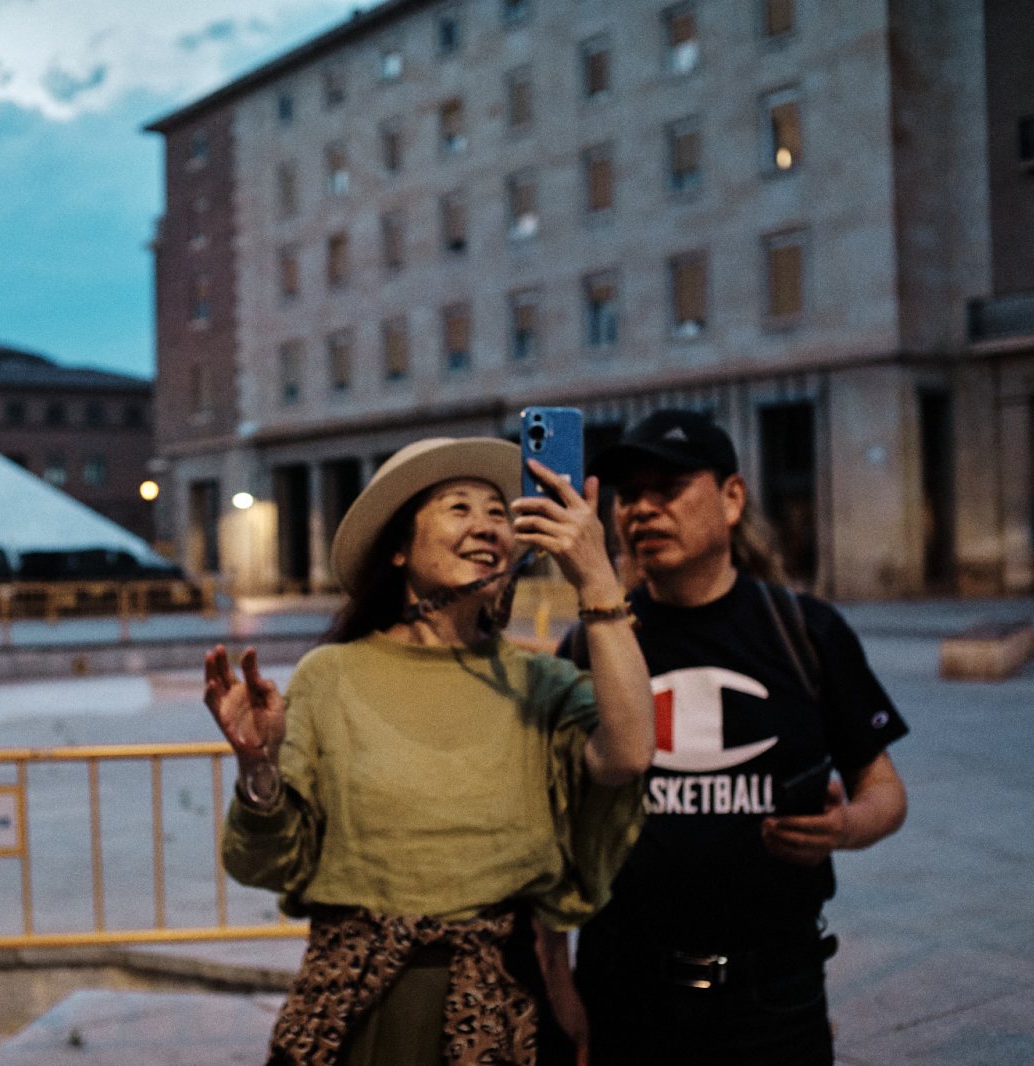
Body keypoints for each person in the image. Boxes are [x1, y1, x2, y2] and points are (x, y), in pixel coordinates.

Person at [203, 436, 657, 1066]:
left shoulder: (541, 685)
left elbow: (629, 755)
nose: (487, 527)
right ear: (398, 548)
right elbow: (264, 865)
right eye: (459, 507)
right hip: (359, 1009)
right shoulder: (330, 677)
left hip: (502, 1007)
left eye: (498, 513)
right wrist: (258, 769)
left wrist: (598, 579)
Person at [549, 409, 910, 1065]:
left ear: (733, 498)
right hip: (624, 989)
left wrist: (845, 827)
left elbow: (884, 791)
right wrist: (556, 981)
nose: (642, 509)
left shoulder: (805, 632)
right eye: (629, 495)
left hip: (772, 994)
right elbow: (551, 827)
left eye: (669, 488)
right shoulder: (592, 644)